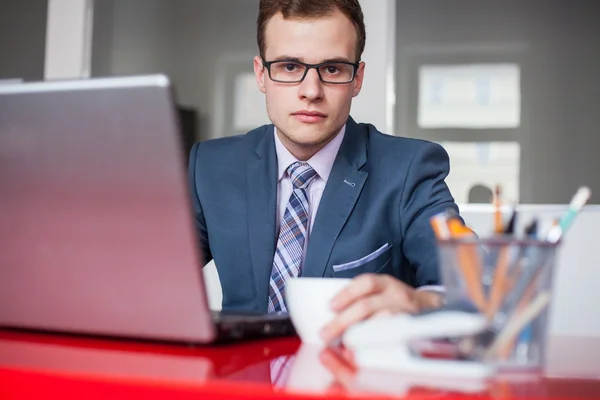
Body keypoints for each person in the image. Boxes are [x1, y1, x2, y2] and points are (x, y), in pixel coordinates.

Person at [188, 0, 459, 345]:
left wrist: (423, 302)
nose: (311, 91)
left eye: (332, 69)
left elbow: (475, 286)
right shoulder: (210, 167)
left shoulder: (410, 169)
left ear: (357, 78)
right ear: (261, 74)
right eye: (289, 67)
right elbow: (153, 279)